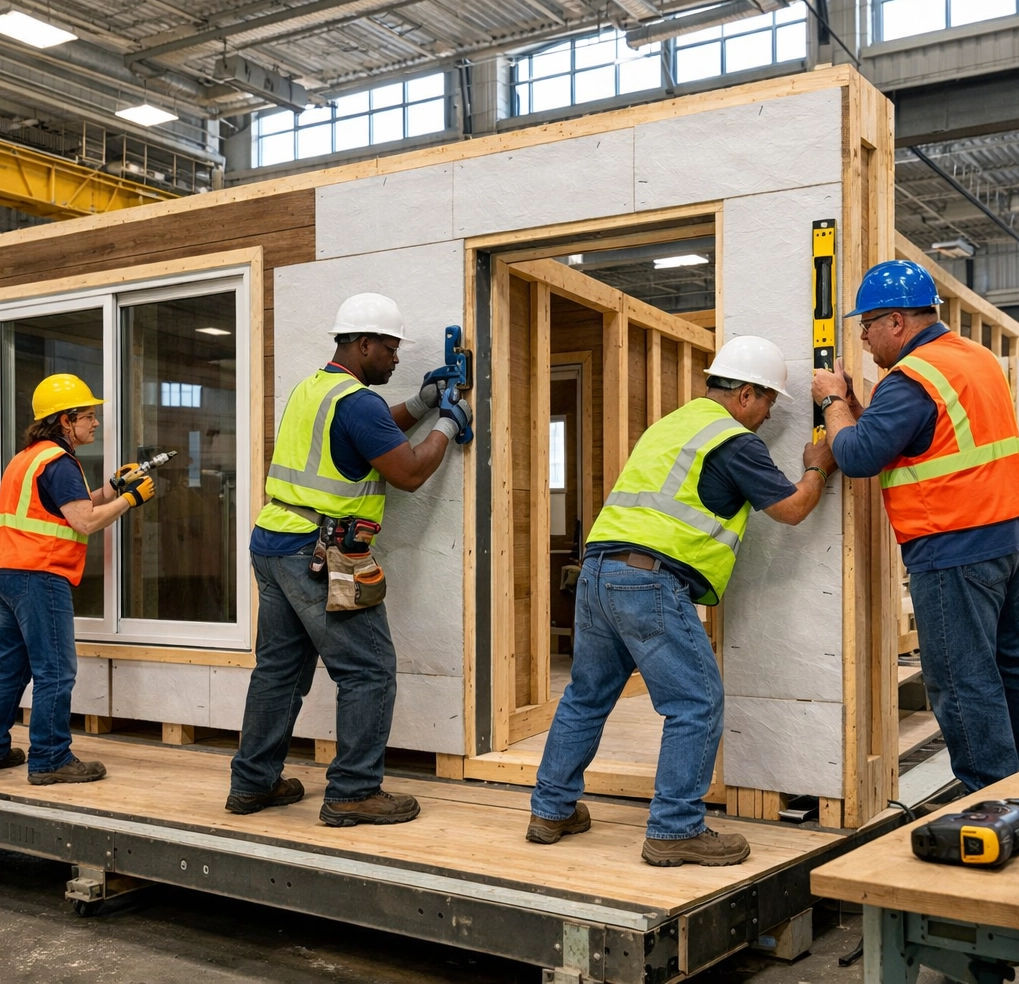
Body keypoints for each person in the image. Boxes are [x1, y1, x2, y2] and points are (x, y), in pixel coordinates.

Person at [528, 336, 838, 867]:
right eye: (766, 402)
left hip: (596, 574)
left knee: (586, 696)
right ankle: (674, 829)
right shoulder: (735, 442)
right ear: (745, 394)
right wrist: (818, 465)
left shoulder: (671, 425)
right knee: (695, 701)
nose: (766, 415)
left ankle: (550, 809)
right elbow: (791, 510)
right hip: (647, 582)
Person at [810, 259, 1019, 793]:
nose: (863, 335)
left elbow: (857, 455)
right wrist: (861, 407)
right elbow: (926, 433)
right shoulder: (974, 358)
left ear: (897, 322)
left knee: (961, 678)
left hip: (956, 543)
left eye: (868, 324)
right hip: (1016, 533)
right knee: (1014, 659)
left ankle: (992, 797)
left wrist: (832, 401)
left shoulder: (912, 378)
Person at [226, 292, 473, 827]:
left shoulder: (315, 389)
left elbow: (373, 428)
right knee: (369, 671)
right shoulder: (356, 402)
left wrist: (426, 403)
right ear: (364, 344)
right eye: (390, 348)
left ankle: (252, 783)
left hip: (273, 542)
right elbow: (406, 472)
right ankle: (353, 792)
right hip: (318, 553)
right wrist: (447, 426)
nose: (397, 359)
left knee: (279, 672)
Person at [0, 373, 156, 785]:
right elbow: (83, 522)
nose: (95, 423)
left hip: (4, 572)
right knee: (55, 670)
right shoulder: (61, 463)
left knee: (12, 666)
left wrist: (110, 489)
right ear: (65, 421)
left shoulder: (29, 457)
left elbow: (65, 509)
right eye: (88, 416)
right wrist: (130, 499)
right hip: (39, 574)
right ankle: (51, 758)